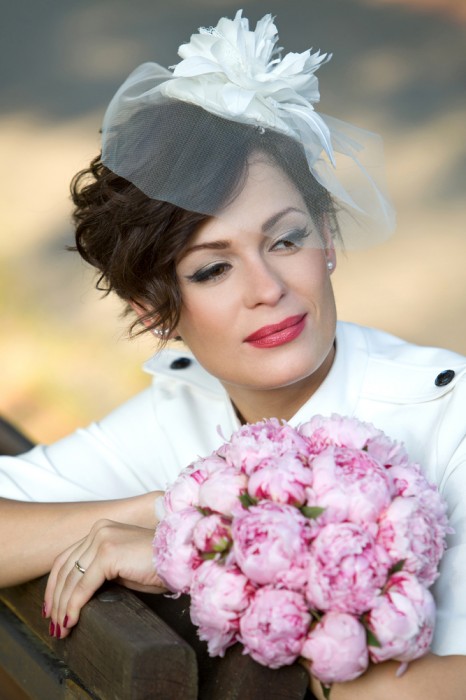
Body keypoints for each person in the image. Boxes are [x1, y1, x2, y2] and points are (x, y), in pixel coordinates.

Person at [1, 10, 465, 698]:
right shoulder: (184, 408)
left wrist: (220, 553)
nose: (269, 290)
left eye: (284, 239)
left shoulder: (445, 416)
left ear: (327, 238)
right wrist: (174, 512)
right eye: (213, 269)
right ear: (156, 310)